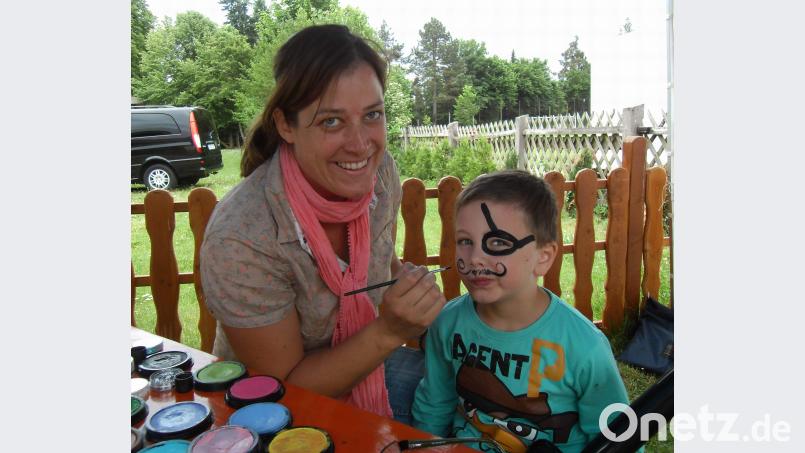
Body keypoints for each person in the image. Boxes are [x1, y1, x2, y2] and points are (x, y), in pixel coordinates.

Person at [200, 24, 444, 422]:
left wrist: (413, 296)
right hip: (266, 414)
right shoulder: (242, 237)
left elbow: (379, 260)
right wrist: (389, 330)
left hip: (370, 369)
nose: (361, 144)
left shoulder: (381, 175)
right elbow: (282, 389)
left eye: (372, 115)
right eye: (331, 121)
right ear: (285, 125)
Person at [411, 170, 631, 453]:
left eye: (498, 242)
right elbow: (434, 404)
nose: (475, 257)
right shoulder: (447, 323)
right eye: (465, 241)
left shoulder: (583, 346)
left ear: (543, 258)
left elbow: (618, 439)